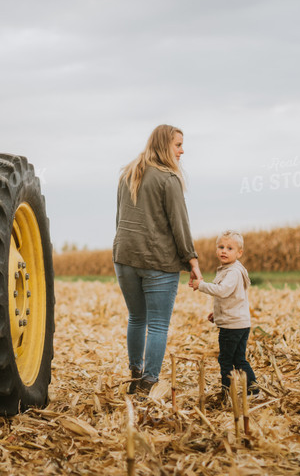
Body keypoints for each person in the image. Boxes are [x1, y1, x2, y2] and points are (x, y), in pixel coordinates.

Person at [113, 124, 203, 396]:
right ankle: (149, 383)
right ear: (165, 145)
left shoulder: (128, 173)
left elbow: (120, 220)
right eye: (178, 145)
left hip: (124, 257)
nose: (182, 151)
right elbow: (180, 224)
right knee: (159, 325)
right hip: (157, 261)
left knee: (136, 319)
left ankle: (135, 374)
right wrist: (192, 260)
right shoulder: (168, 179)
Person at [189, 230, 258, 396]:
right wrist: (216, 313)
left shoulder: (233, 272)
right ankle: (253, 390)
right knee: (239, 359)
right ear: (216, 250)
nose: (224, 251)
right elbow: (231, 297)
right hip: (240, 323)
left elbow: (222, 291)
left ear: (239, 253)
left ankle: (227, 393)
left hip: (232, 326)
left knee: (226, 360)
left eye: (230, 248)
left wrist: (201, 285)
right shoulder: (231, 269)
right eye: (221, 247)